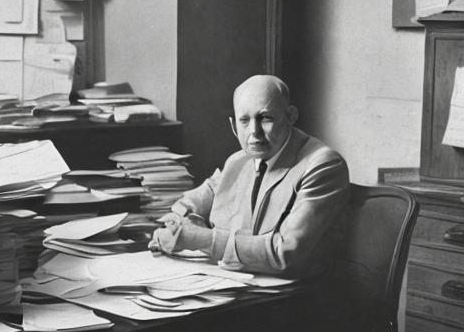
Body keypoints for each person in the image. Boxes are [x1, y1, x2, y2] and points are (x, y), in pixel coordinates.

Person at [149, 74, 349, 278]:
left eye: (265, 118)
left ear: (290, 116)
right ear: (234, 126)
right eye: (244, 120)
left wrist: (200, 238)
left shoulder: (323, 164)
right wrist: (177, 224)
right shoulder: (238, 161)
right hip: (236, 285)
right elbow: (189, 204)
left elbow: (285, 253)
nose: (254, 132)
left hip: (294, 297)